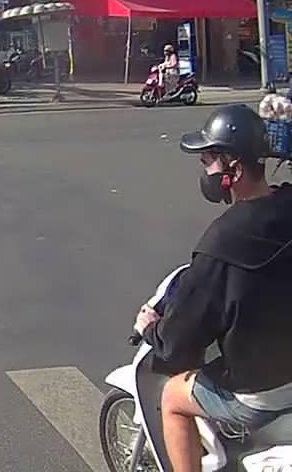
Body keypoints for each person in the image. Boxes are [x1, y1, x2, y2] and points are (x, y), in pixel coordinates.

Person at [133, 104, 292, 472]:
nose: (205, 172)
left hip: (261, 392)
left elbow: (181, 341)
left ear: (232, 169)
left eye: (207, 162)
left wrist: (152, 329)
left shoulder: (223, 242)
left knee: (173, 398)